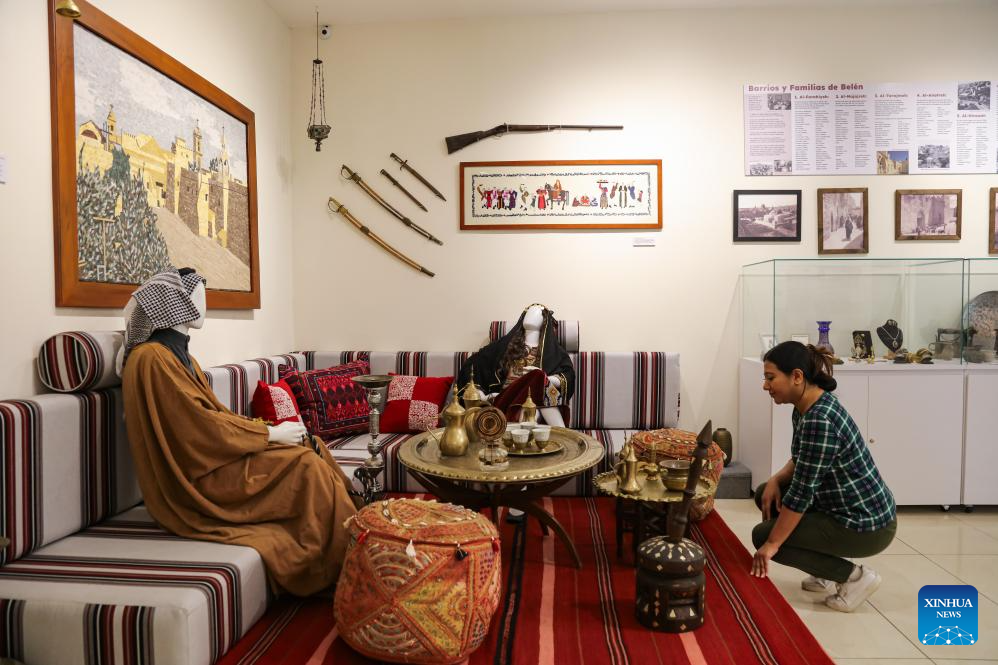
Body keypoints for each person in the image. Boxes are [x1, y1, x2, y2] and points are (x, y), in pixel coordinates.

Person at [119, 268, 357, 597]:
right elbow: (196, 428)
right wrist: (270, 436)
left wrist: (266, 429)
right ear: (176, 303)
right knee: (306, 466)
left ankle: (353, 536)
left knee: (310, 442)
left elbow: (217, 416)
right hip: (198, 478)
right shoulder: (151, 359)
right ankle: (341, 563)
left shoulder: (182, 356)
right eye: (197, 294)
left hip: (214, 457)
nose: (203, 302)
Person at [752, 341, 896, 612]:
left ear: (797, 376)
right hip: (840, 507)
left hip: (867, 525)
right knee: (766, 494)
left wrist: (772, 544)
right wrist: (774, 480)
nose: (765, 385)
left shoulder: (819, 419)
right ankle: (823, 570)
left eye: (770, 378)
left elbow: (801, 493)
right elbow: (803, 458)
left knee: (763, 536)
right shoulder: (807, 406)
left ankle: (855, 578)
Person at [457, 303, 574, 427]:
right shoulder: (504, 346)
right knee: (537, 377)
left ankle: (541, 434)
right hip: (505, 399)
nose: (531, 314)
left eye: (538, 312)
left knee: (533, 409)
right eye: (529, 311)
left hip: (534, 403)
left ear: (545, 320)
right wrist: (481, 393)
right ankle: (563, 431)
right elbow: (472, 364)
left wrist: (542, 379)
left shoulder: (554, 352)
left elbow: (568, 377)